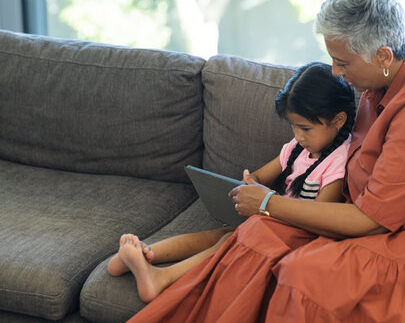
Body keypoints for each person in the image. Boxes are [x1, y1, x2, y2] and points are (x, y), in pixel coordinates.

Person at [126, 0, 405, 323]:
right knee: (258, 234)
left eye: (342, 61)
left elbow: (373, 220)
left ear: (383, 56)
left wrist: (269, 203)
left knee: (302, 275)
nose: (336, 72)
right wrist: (267, 210)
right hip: (370, 218)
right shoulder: (377, 88)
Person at [108, 61, 357, 303]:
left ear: (338, 120)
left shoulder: (338, 160)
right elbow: (259, 176)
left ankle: (161, 278)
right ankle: (144, 253)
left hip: (300, 237)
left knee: (228, 241)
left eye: (305, 128)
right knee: (219, 233)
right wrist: (251, 183)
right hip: (273, 221)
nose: (298, 136)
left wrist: (269, 203)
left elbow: (321, 219)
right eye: (293, 127)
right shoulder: (296, 148)